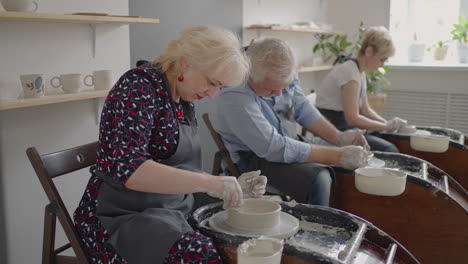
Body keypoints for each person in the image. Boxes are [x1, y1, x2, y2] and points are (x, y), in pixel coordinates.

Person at [73, 25, 267, 264]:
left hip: (168, 208)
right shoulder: (138, 88)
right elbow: (129, 170)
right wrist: (211, 183)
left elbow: (178, 168)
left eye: (220, 88)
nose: (213, 94)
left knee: (238, 238)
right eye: (212, 82)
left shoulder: (182, 98)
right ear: (186, 63)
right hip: (119, 218)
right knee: (200, 253)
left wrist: (232, 188)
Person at [209, 38, 371, 207]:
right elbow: (273, 147)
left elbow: (301, 107)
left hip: (285, 139)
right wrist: (338, 155)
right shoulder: (234, 92)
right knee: (319, 177)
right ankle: (316, 229)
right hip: (253, 157)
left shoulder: (283, 67)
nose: (279, 94)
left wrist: (339, 138)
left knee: (352, 164)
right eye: (271, 90)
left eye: (284, 87)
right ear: (250, 78)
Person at [315, 26, 406, 152]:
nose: (382, 65)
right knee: (390, 149)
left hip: (346, 126)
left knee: (391, 137)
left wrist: (388, 124)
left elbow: (365, 109)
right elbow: (352, 118)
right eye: (382, 59)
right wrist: (385, 126)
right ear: (369, 51)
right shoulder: (349, 73)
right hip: (335, 129)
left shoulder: (358, 72)